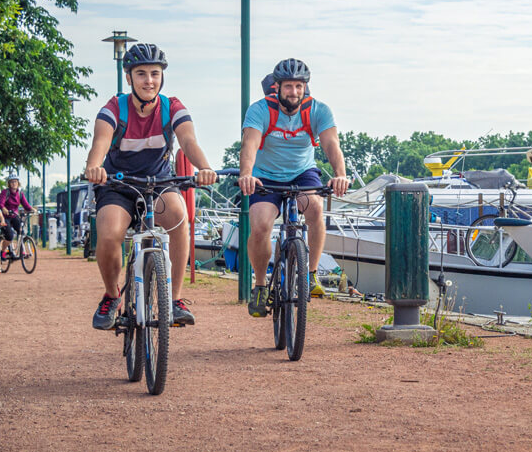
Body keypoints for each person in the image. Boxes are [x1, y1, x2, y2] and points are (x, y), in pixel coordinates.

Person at [83, 43, 217, 330]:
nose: (149, 80)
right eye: (141, 74)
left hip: (158, 182)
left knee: (180, 219)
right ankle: (111, 296)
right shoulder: (114, 108)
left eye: (155, 74)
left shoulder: (173, 108)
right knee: (108, 234)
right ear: (128, 77)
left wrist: (204, 168)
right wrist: (94, 167)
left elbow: (189, 141)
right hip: (118, 185)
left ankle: (176, 299)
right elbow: (101, 143)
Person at [238, 58, 347, 317]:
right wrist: (246, 174)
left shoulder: (319, 110)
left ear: (305, 87)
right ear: (277, 87)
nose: (294, 92)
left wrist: (340, 175)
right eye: (288, 86)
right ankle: (261, 285)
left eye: (299, 86)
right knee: (261, 224)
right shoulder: (260, 110)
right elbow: (249, 145)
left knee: (315, 208)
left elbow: (331, 145)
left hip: (303, 173)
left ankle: (309, 275)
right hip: (265, 176)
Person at [0, 171, 34, 259]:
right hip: (5, 217)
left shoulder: (20, 193)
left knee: (21, 231)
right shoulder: (5, 192)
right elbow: (0, 204)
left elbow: (26, 205)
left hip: (14, 216)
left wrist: (32, 209)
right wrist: (4, 209)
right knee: (9, 235)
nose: (14, 183)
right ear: (9, 184)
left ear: (18, 183)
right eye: (12, 182)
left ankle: (22, 251)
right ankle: (3, 252)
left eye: (15, 181)